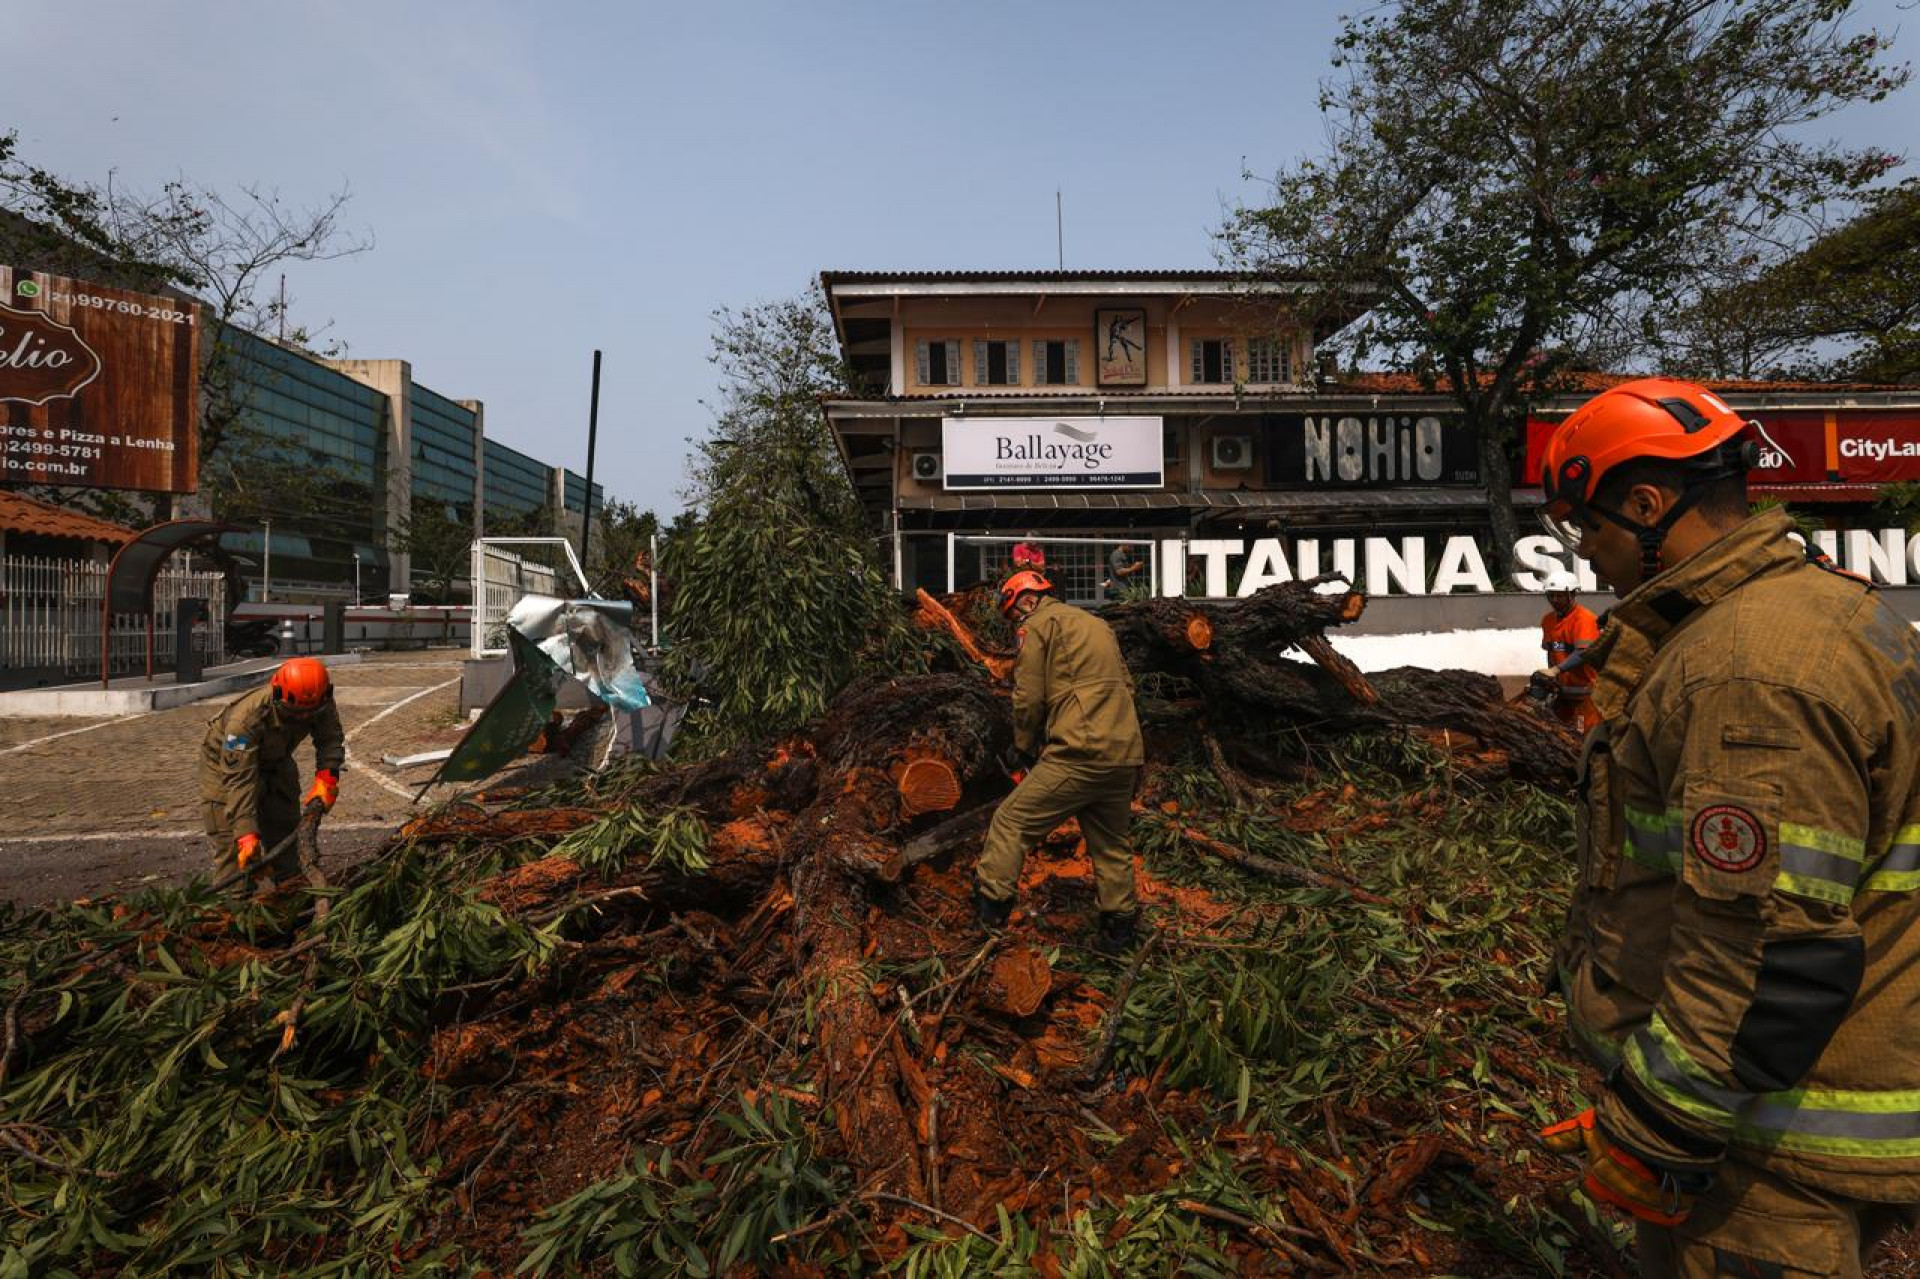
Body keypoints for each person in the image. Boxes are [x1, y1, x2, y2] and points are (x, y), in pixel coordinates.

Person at [1532, 377, 1920, 1275]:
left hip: (1759, 1153)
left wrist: (1656, 1128)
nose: (1589, 555)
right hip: (1778, 1095)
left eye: (1591, 526)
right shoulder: (1828, 610)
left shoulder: (1746, 671)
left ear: (1646, 503)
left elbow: (1761, 950)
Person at [974, 569, 1146, 954]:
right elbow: (1127, 686)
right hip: (1123, 751)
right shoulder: (1097, 624)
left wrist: (1022, 746)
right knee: (1111, 845)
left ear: (1023, 601)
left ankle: (988, 921)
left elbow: (1029, 695)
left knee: (1010, 824)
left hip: (1078, 752)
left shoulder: (1037, 625)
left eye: (1013, 614)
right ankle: (1119, 937)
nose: (1015, 622)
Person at [200, 656, 344, 882]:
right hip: (227, 770)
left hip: (276, 761)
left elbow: (330, 739)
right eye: (296, 713)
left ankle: (290, 897)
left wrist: (327, 777)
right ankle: (234, 907)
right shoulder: (245, 721)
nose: (305, 717)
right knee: (236, 860)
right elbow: (240, 782)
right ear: (278, 695)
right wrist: (246, 834)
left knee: (286, 835)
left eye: (310, 712)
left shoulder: (318, 699)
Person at [1535, 572, 1602, 732]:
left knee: (1582, 738)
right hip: (1562, 695)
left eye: (1560, 596)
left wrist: (1556, 670)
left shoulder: (1585, 619)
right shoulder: (1548, 620)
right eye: (1550, 596)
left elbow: (1583, 653)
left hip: (1586, 695)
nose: (1554, 600)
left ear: (1572, 594)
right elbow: (1552, 652)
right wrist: (1551, 678)